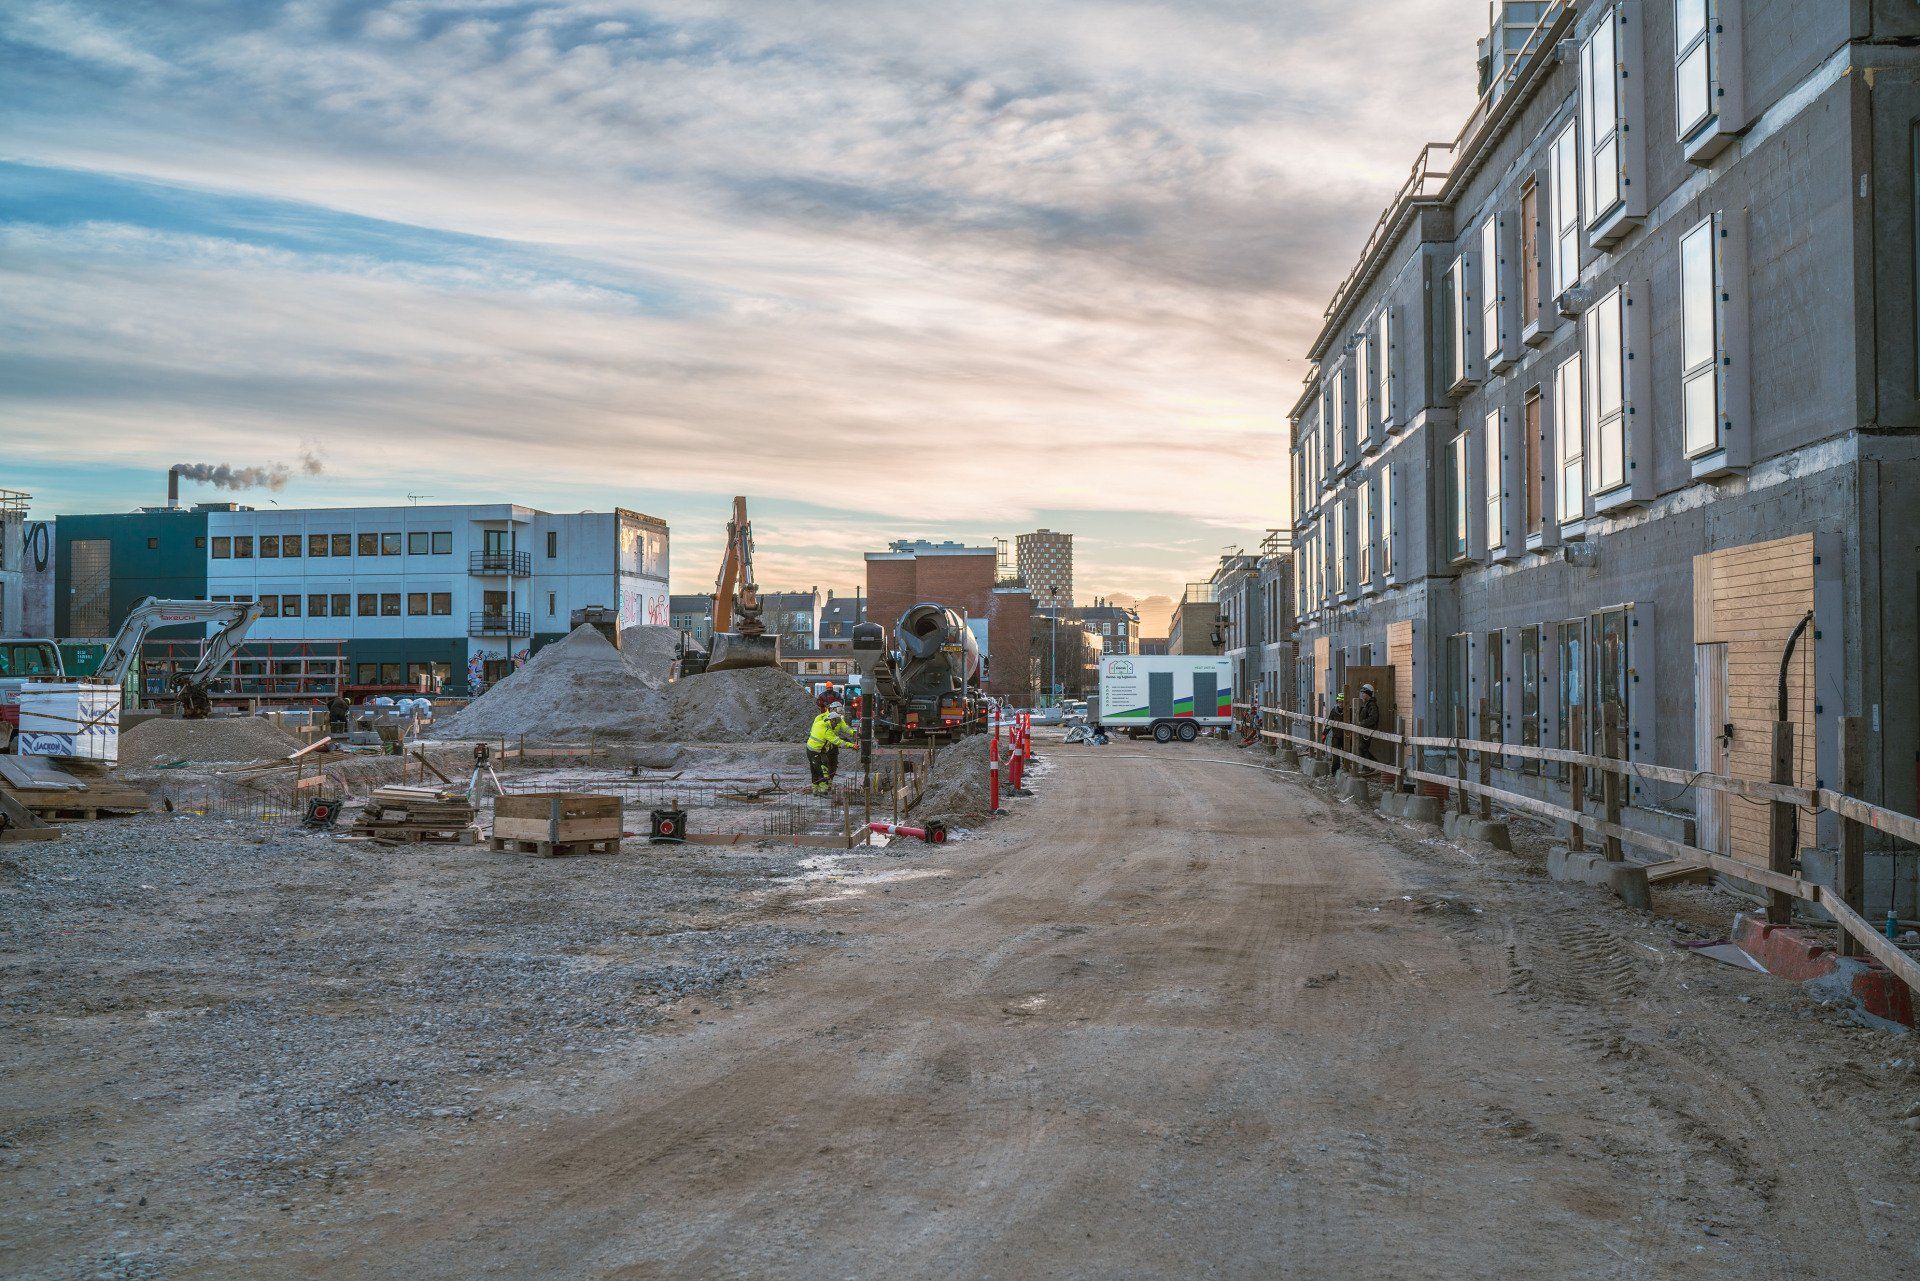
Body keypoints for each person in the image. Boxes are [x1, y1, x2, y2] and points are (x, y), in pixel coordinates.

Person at [806, 700, 859, 795]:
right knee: (820, 769)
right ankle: (821, 788)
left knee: (832, 766)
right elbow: (832, 738)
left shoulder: (837, 719)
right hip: (823, 746)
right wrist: (850, 745)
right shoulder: (821, 719)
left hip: (830, 745)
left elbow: (845, 728)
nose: (838, 723)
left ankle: (827, 785)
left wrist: (853, 733)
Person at [1354, 683, 1381, 771]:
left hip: (1368, 730)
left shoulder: (1371, 705)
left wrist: (1361, 723)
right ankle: (1367, 767)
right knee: (1362, 748)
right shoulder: (1366, 704)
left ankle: (1373, 764)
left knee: (1363, 748)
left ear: (1368, 693)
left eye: (1363, 693)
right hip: (1364, 730)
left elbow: (1373, 718)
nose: (1362, 694)